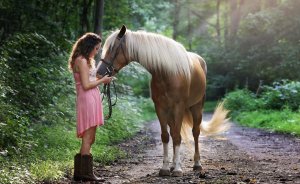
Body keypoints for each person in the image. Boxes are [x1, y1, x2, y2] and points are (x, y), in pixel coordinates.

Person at [68, 32, 112, 181]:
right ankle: (86, 174)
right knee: (88, 137)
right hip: (87, 98)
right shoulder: (81, 60)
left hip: (91, 98)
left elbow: (90, 78)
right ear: (89, 47)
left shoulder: (87, 60)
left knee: (90, 138)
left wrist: (102, 78)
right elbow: (86, 85)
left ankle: (81, 173)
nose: (97, 51)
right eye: (96, 48)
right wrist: (102, 81)